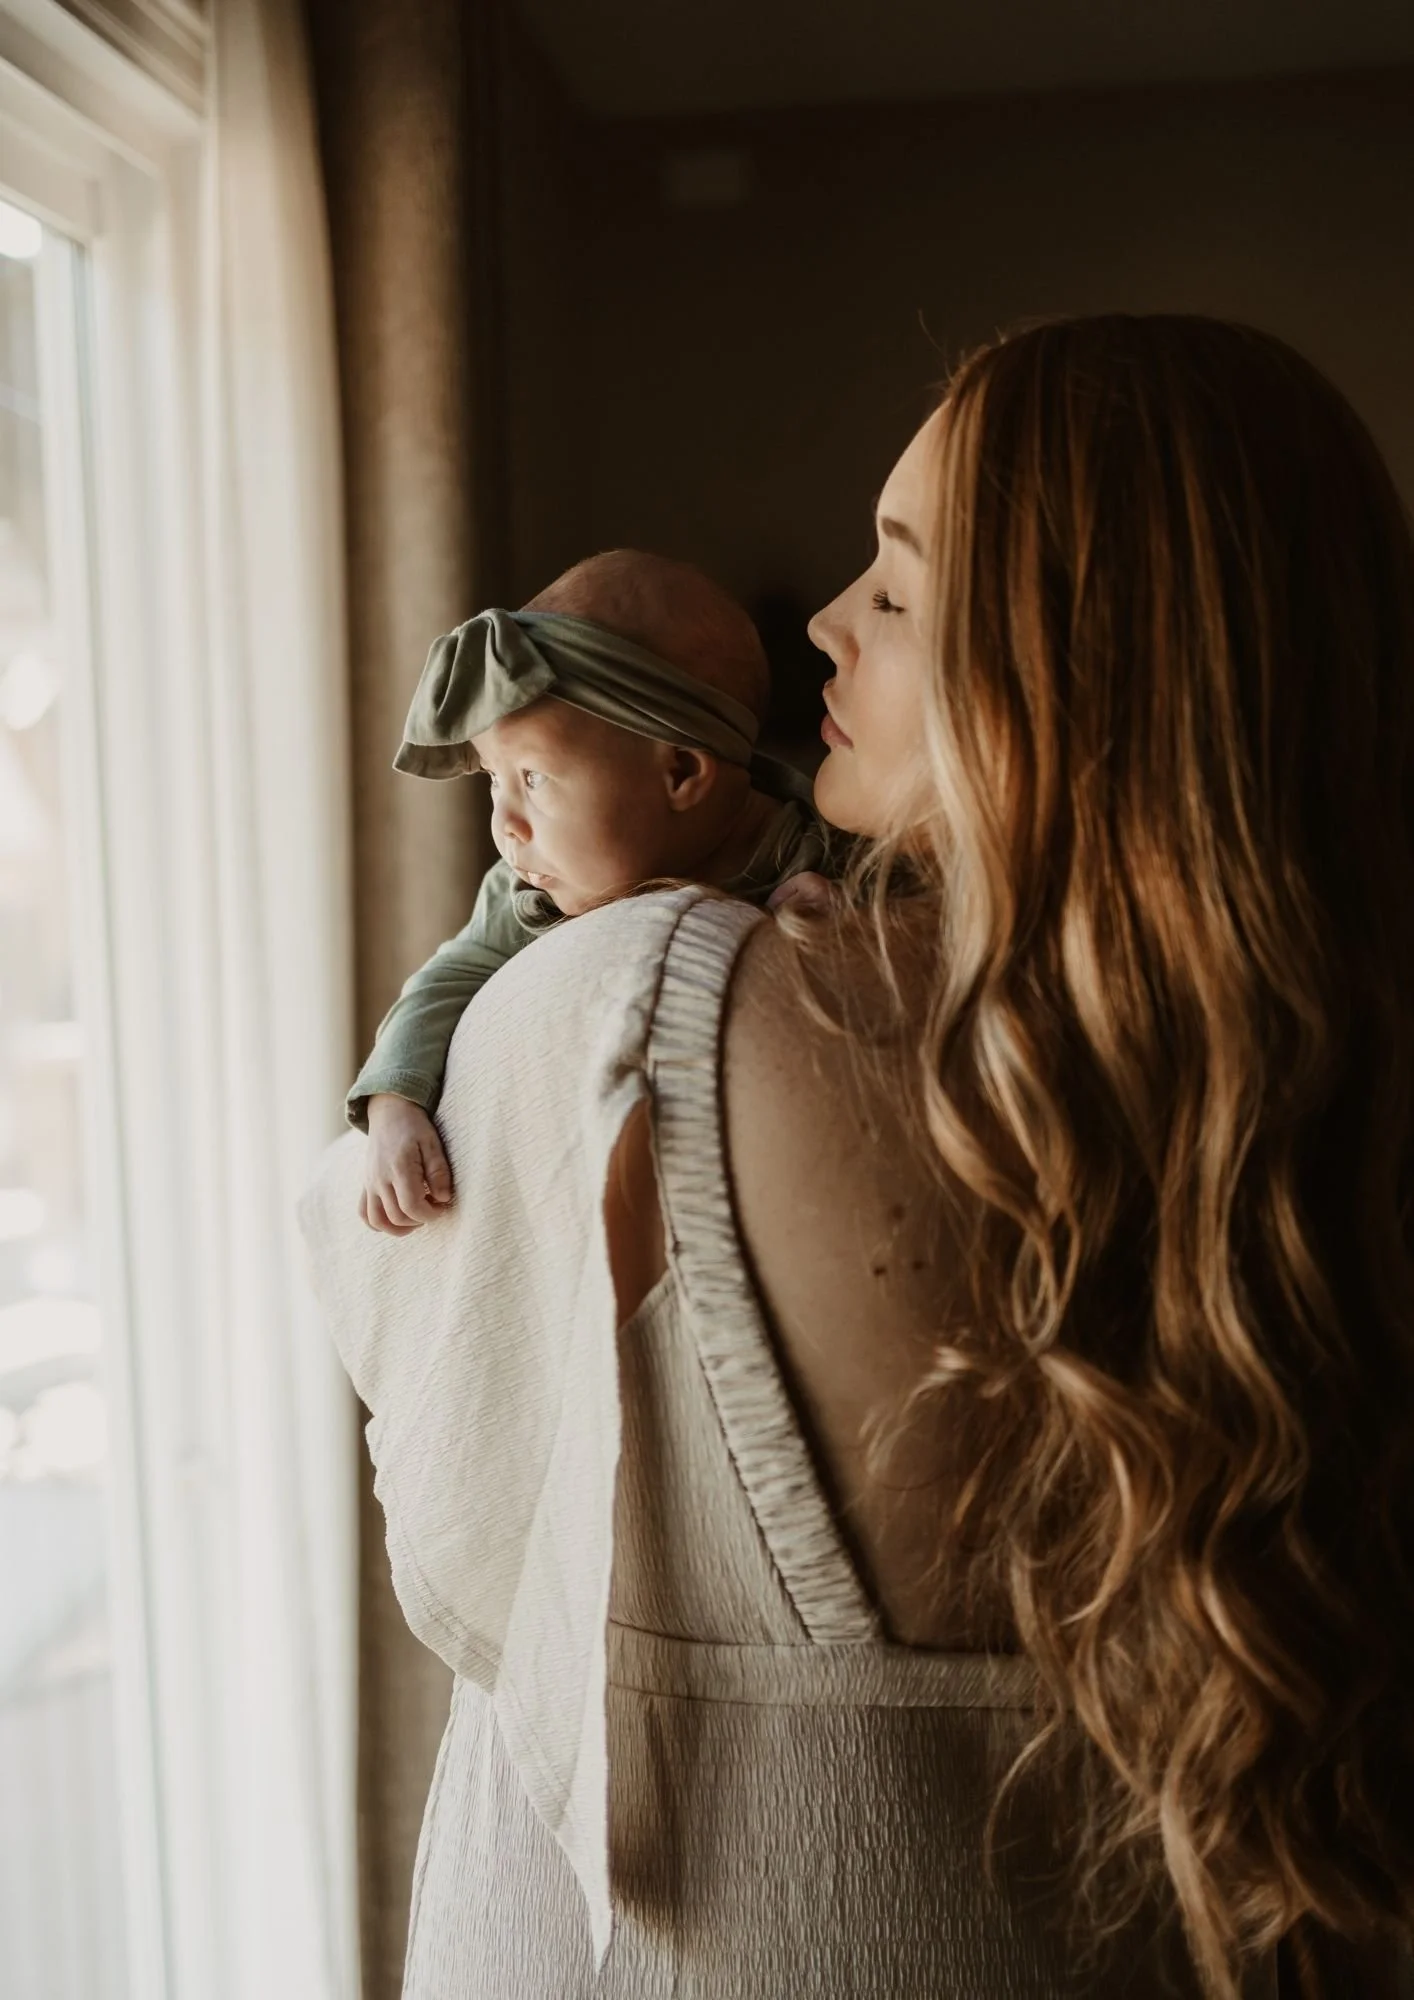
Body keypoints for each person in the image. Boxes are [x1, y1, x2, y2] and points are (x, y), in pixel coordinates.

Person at [300, 315, 1414, 1999]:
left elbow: (399, 1344)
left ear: (1077, 678)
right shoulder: (1330, 1111)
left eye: (891, 588)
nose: (818, 620)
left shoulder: (633, 1006)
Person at [349, 548, 840, 1235]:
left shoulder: (819, 849)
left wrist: (835, 921)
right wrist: (394, 1106)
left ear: (679, 773)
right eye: (494, 778)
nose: (505, 824)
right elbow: (445, 980)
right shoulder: (529, 889)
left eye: (536, 779)